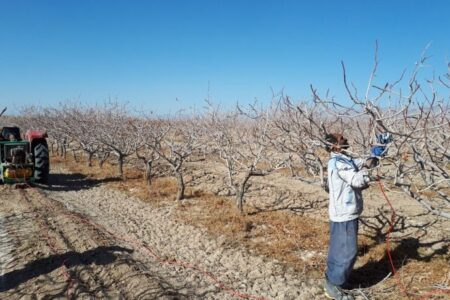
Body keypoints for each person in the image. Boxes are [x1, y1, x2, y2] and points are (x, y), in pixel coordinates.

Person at [322, 133, 378, 300]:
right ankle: (334, 285)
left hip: (346, 212)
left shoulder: (345, 159)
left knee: (338, 249)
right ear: (333, 146)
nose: (345, 139)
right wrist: (368, 172)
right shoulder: (338, 162)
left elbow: (363, 162)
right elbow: (357, 180)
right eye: (341, 139)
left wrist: (376, 153)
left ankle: (334, 278)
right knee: (348, 252)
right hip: (344, 214)